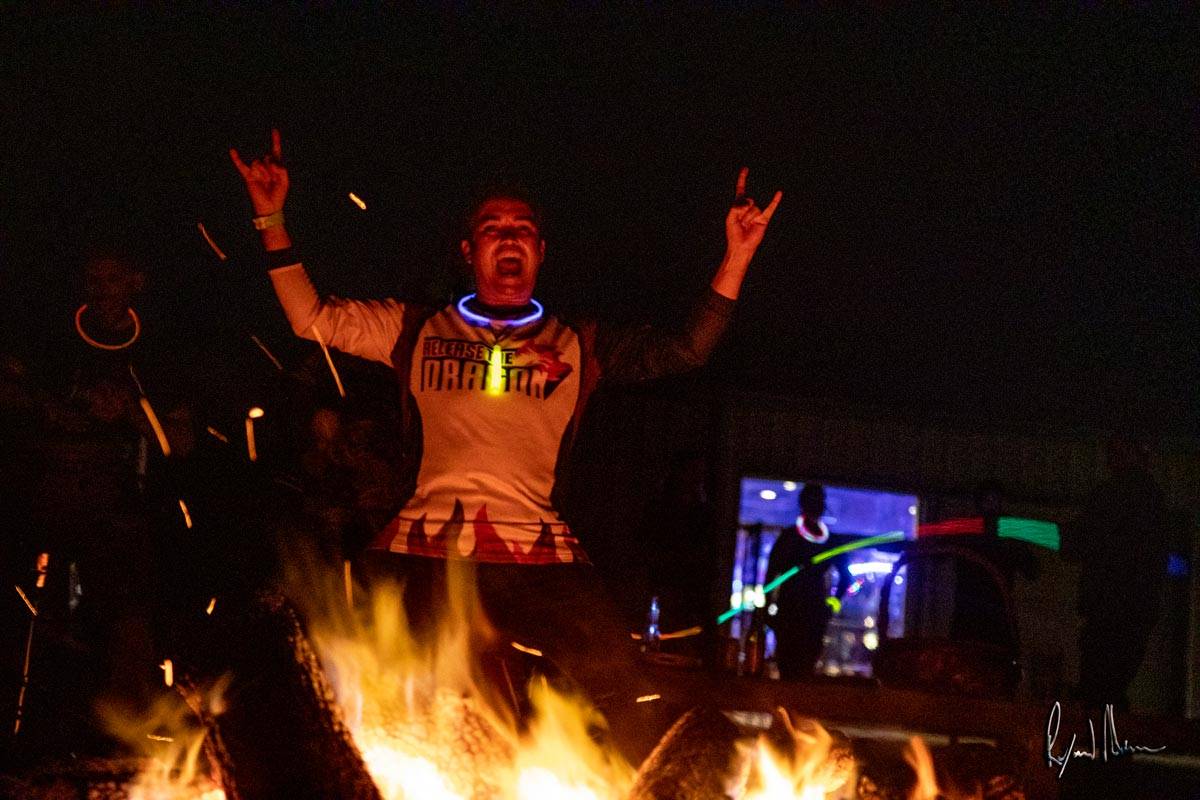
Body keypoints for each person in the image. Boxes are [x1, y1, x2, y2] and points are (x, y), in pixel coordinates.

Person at [230, 129, 781, 760]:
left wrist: (738, 255)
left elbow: (687, 350)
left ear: (541, 251)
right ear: (469, 251)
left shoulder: (578, 344)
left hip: (539, 554)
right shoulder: (415, 327)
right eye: (493, 229)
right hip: (424, 550)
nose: (510, 237)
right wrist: (270, 218)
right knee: (367, 687)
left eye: (523, 229)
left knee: (623, 690)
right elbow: (311, 319)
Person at [1063, 436, 1170, 710]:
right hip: (1130, 610)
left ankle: (1101, 721)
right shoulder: (1152, 500)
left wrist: (1066, 540)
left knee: (1101, 682)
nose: (1111, 459)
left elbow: (1080, 542)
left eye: (1118, 452)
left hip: (1112, 608)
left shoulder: (1115, 496)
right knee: (1109, 682)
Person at [764, 483, 851, 680]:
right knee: (793, 666)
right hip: (795, 612)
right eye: (814, 501)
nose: (817, 505)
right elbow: (771, 575)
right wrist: (767, 609)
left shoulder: (795, 538)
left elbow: (771, 575)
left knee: (799, 667)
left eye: (818, 501)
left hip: (805, 612)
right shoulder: (792, 538)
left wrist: (831, 605)